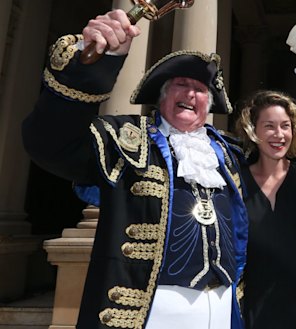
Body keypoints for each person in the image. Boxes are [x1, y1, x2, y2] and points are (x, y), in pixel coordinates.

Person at [22, 9, 247, 329]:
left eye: (202, 89)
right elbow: (49, 143)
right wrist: (92, 67)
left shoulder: (228, 155)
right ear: (161, 96)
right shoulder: (126, 140)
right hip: (150, 313)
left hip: (222, 310)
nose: (192, 94)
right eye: (181, 84)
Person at [234, 90, 296, 329]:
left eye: (285, 125)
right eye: (269, 126)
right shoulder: (236, 182)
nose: (279, 134)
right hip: (253, 312)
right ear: (253, 131)